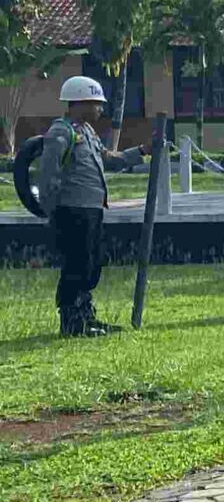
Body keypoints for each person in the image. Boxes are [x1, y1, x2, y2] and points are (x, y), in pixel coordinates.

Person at [35, 76, 145, 338]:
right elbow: (48, 175)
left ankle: (86, 317)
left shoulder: (87, 132)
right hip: (72, 211)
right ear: (80, 101)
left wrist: (141, 150)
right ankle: (71, 322)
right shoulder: (62, 131)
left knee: (92, 264)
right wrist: (52, 212)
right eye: (96, 103)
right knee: (76, 264)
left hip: (92, 210)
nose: (100, 109)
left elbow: (108, 159)